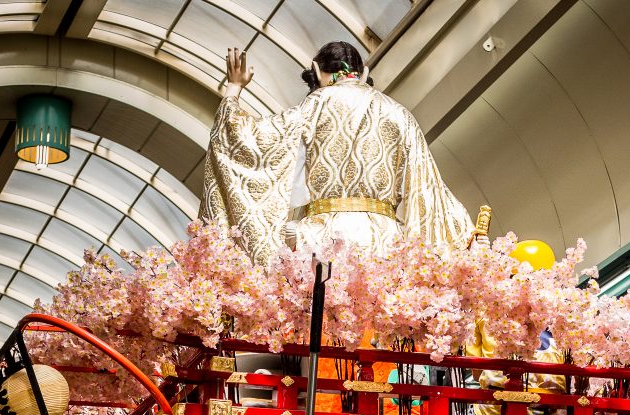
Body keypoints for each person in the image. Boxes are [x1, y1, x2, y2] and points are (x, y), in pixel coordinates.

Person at [203, 40, 474, 266]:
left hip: (321, 239)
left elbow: (244, 142)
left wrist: (234, 89)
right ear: (363, 72)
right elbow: (427, 188)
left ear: (316, 70)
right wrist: (466, 237)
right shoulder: (399, 114)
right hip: (383, 241)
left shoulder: (313, 107)